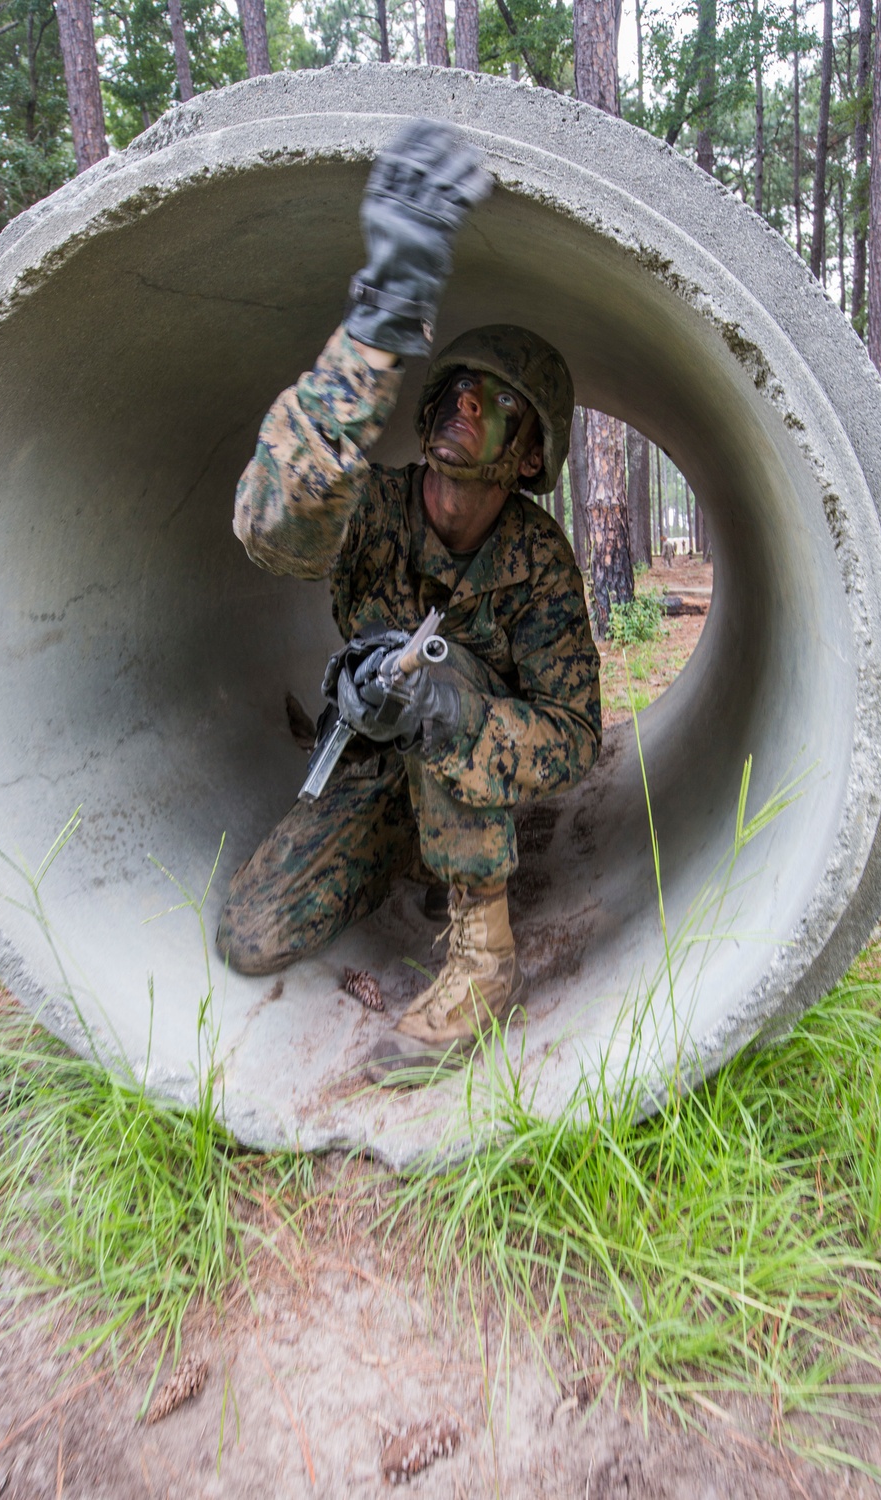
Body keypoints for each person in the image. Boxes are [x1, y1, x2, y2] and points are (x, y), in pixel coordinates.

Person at [216, 120, 602, 1081]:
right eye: (457, 388)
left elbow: (577, 733)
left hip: (471, 776)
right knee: (251, 936)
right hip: (373, 766)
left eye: (496, 402)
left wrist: (460, 722)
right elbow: (271, 524)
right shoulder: (376, 507)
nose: (466, 404)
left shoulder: (538, 563)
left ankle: (485, 952)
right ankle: (406, 845)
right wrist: (380, 327)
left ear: (528, 457)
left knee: (443, 673)